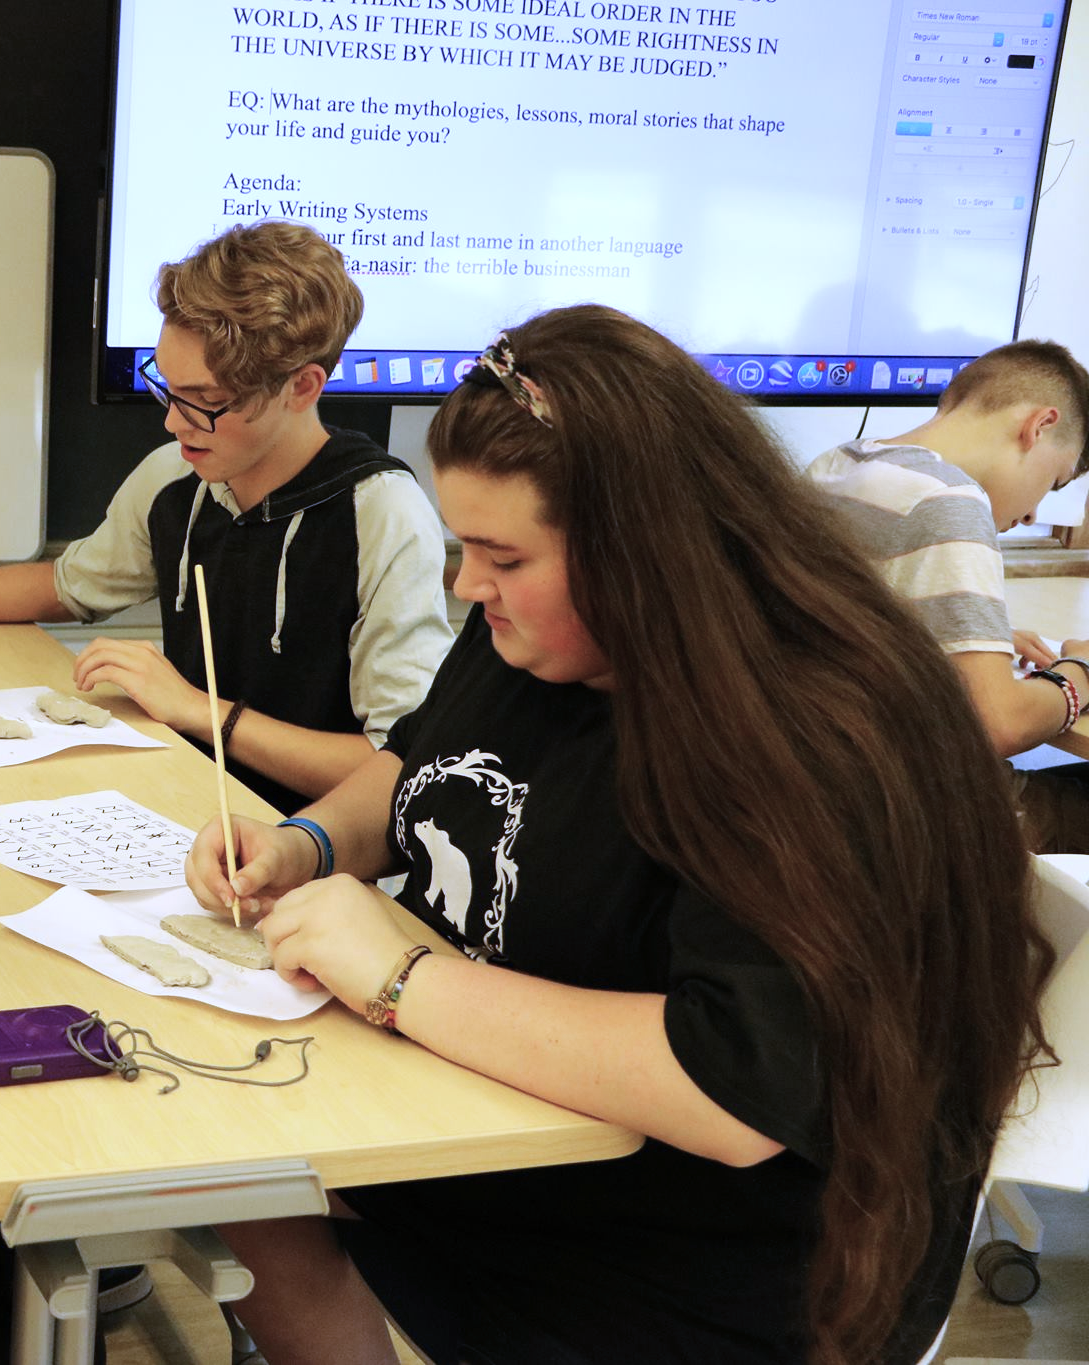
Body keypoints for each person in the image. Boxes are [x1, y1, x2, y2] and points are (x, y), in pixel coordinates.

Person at [184, 305, 1054, 1365]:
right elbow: (417, 766)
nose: (468, 585)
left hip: (680, 1270)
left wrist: (399, 976)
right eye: (464, 549)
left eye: (500, 556)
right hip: (495, 1148)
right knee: (223, 1169)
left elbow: (733, 1090)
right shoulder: (527, 637)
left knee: (244, 1175)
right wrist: (308, 846)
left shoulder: (796, 737)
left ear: (641, 553)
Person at [0, 220, 452, 816]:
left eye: (207, 401)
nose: (173, 421)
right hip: (185, 807)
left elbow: (397, 767)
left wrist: (199, 712)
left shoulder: (383, 518)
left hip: (311, 855)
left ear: (303, 386)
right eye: (165, 386)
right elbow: (66, 586)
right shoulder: (178, 476)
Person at [807, 340, 1089, 852]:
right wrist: (1079, 674)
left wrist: (974, 637)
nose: (1031, 515)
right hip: (920, 814)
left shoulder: (837, 465)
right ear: (1039, 426)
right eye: (1053, 480)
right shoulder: (948, 501)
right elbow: (999, 724)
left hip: (822, 788)